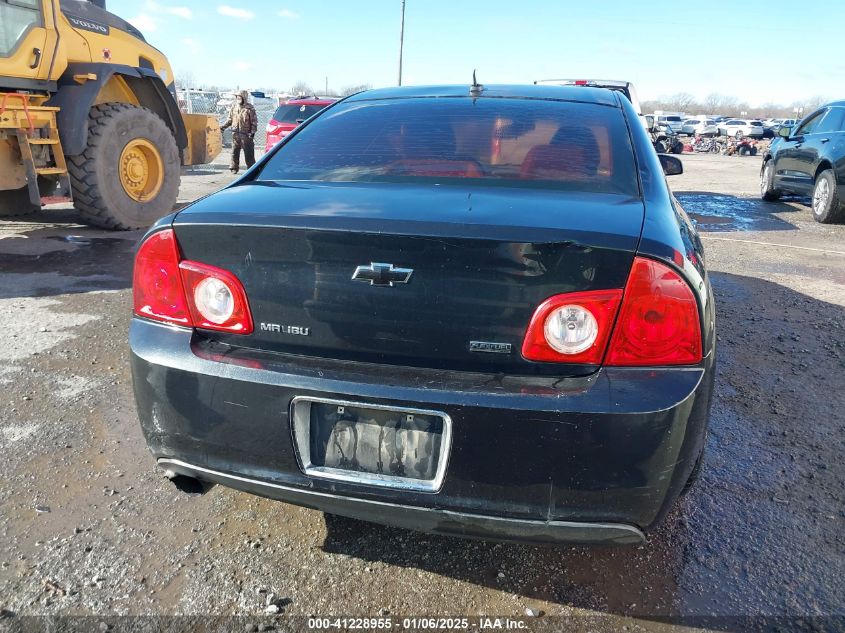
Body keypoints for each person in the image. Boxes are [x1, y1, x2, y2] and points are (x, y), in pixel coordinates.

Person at [220, 90, 258, 174]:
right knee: (234, 152)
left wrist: (252, 132)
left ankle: (251, 170)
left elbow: (254, 122)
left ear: (244, 98)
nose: (238, 99)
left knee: (249, 153)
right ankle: (234, 168)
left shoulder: (249, 108)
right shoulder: (234, 107)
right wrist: (222, 127)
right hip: (235, 135)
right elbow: (230, 120)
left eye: (239, 97)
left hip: (246, 136)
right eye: (237, 97)